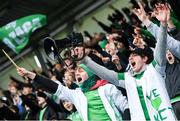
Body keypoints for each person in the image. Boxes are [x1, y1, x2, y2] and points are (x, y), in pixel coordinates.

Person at [70, 3, 176, 120]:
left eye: (134, 55)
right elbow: (105, 74)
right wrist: (85, 60)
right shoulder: (128, 79)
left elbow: (161, 46)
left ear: (145, 59)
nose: (130, 58)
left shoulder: (156, 69)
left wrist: (163, 24)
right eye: (130, 56)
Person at [17, 64, 130, 121]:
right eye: (76, 73)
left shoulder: (107, 88)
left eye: (81, 71)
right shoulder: (77, 94)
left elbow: (125, 107)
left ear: (91, 73)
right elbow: (57, 88)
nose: (77, 74)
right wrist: (30, 75)